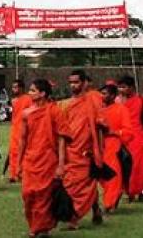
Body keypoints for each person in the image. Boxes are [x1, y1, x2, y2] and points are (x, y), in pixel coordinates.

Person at [17, 79, 70, 238]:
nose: (30, 93)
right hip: (30, 160)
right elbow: (23, 139)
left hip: (48, 160)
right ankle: (36, 225)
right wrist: (18, 163)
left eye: (33, 90)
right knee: (28, 195)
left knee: (44, 196)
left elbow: (62, 139)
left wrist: (61, 164)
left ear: (43, 93)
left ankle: (40, 229)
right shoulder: (26, 113)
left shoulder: (55, 111)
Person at [60, 70, 103, 229]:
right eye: (71, 82)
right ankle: (95, 208)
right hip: (70, 150)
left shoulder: (94, 100)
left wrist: (98, 149)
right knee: (70, 184)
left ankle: (74, 218)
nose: (73, 85)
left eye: (76, 82)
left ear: (84, 83)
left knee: (84, 184)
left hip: (86, 150)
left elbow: (100, 125)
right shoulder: (65, 104)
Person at [97, 83, 133, 213]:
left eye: (105, 94)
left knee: (112, 175)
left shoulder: (121, 109)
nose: (102, 96)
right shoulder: (98, 109)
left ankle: (109, 203)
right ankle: (112, 197)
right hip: (98, 145)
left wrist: (113, 131)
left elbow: (128, 131)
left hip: (113, 144)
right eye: (101, 93)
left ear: (113, 96)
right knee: (101, 176)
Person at [118, 75, 143, 201]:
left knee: (137, 166)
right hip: (123, 137)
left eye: (124, 87)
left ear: (132, 87)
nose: (121, 90)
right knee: (123, 166)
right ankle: (129, 192)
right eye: (120, 87)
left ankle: (138, 191)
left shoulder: (139, 101)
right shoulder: (118, 102)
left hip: (137, 137)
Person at [8, 79, 32, 183]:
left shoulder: (28, 99)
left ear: (22, 88)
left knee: (23, 151)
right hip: (15, 128)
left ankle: (22, 172)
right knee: (13, 151)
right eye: (13, 87)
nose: (14, 89)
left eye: (16, 87)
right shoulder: (13, 101)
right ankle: (13, 174)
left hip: (23, 127)